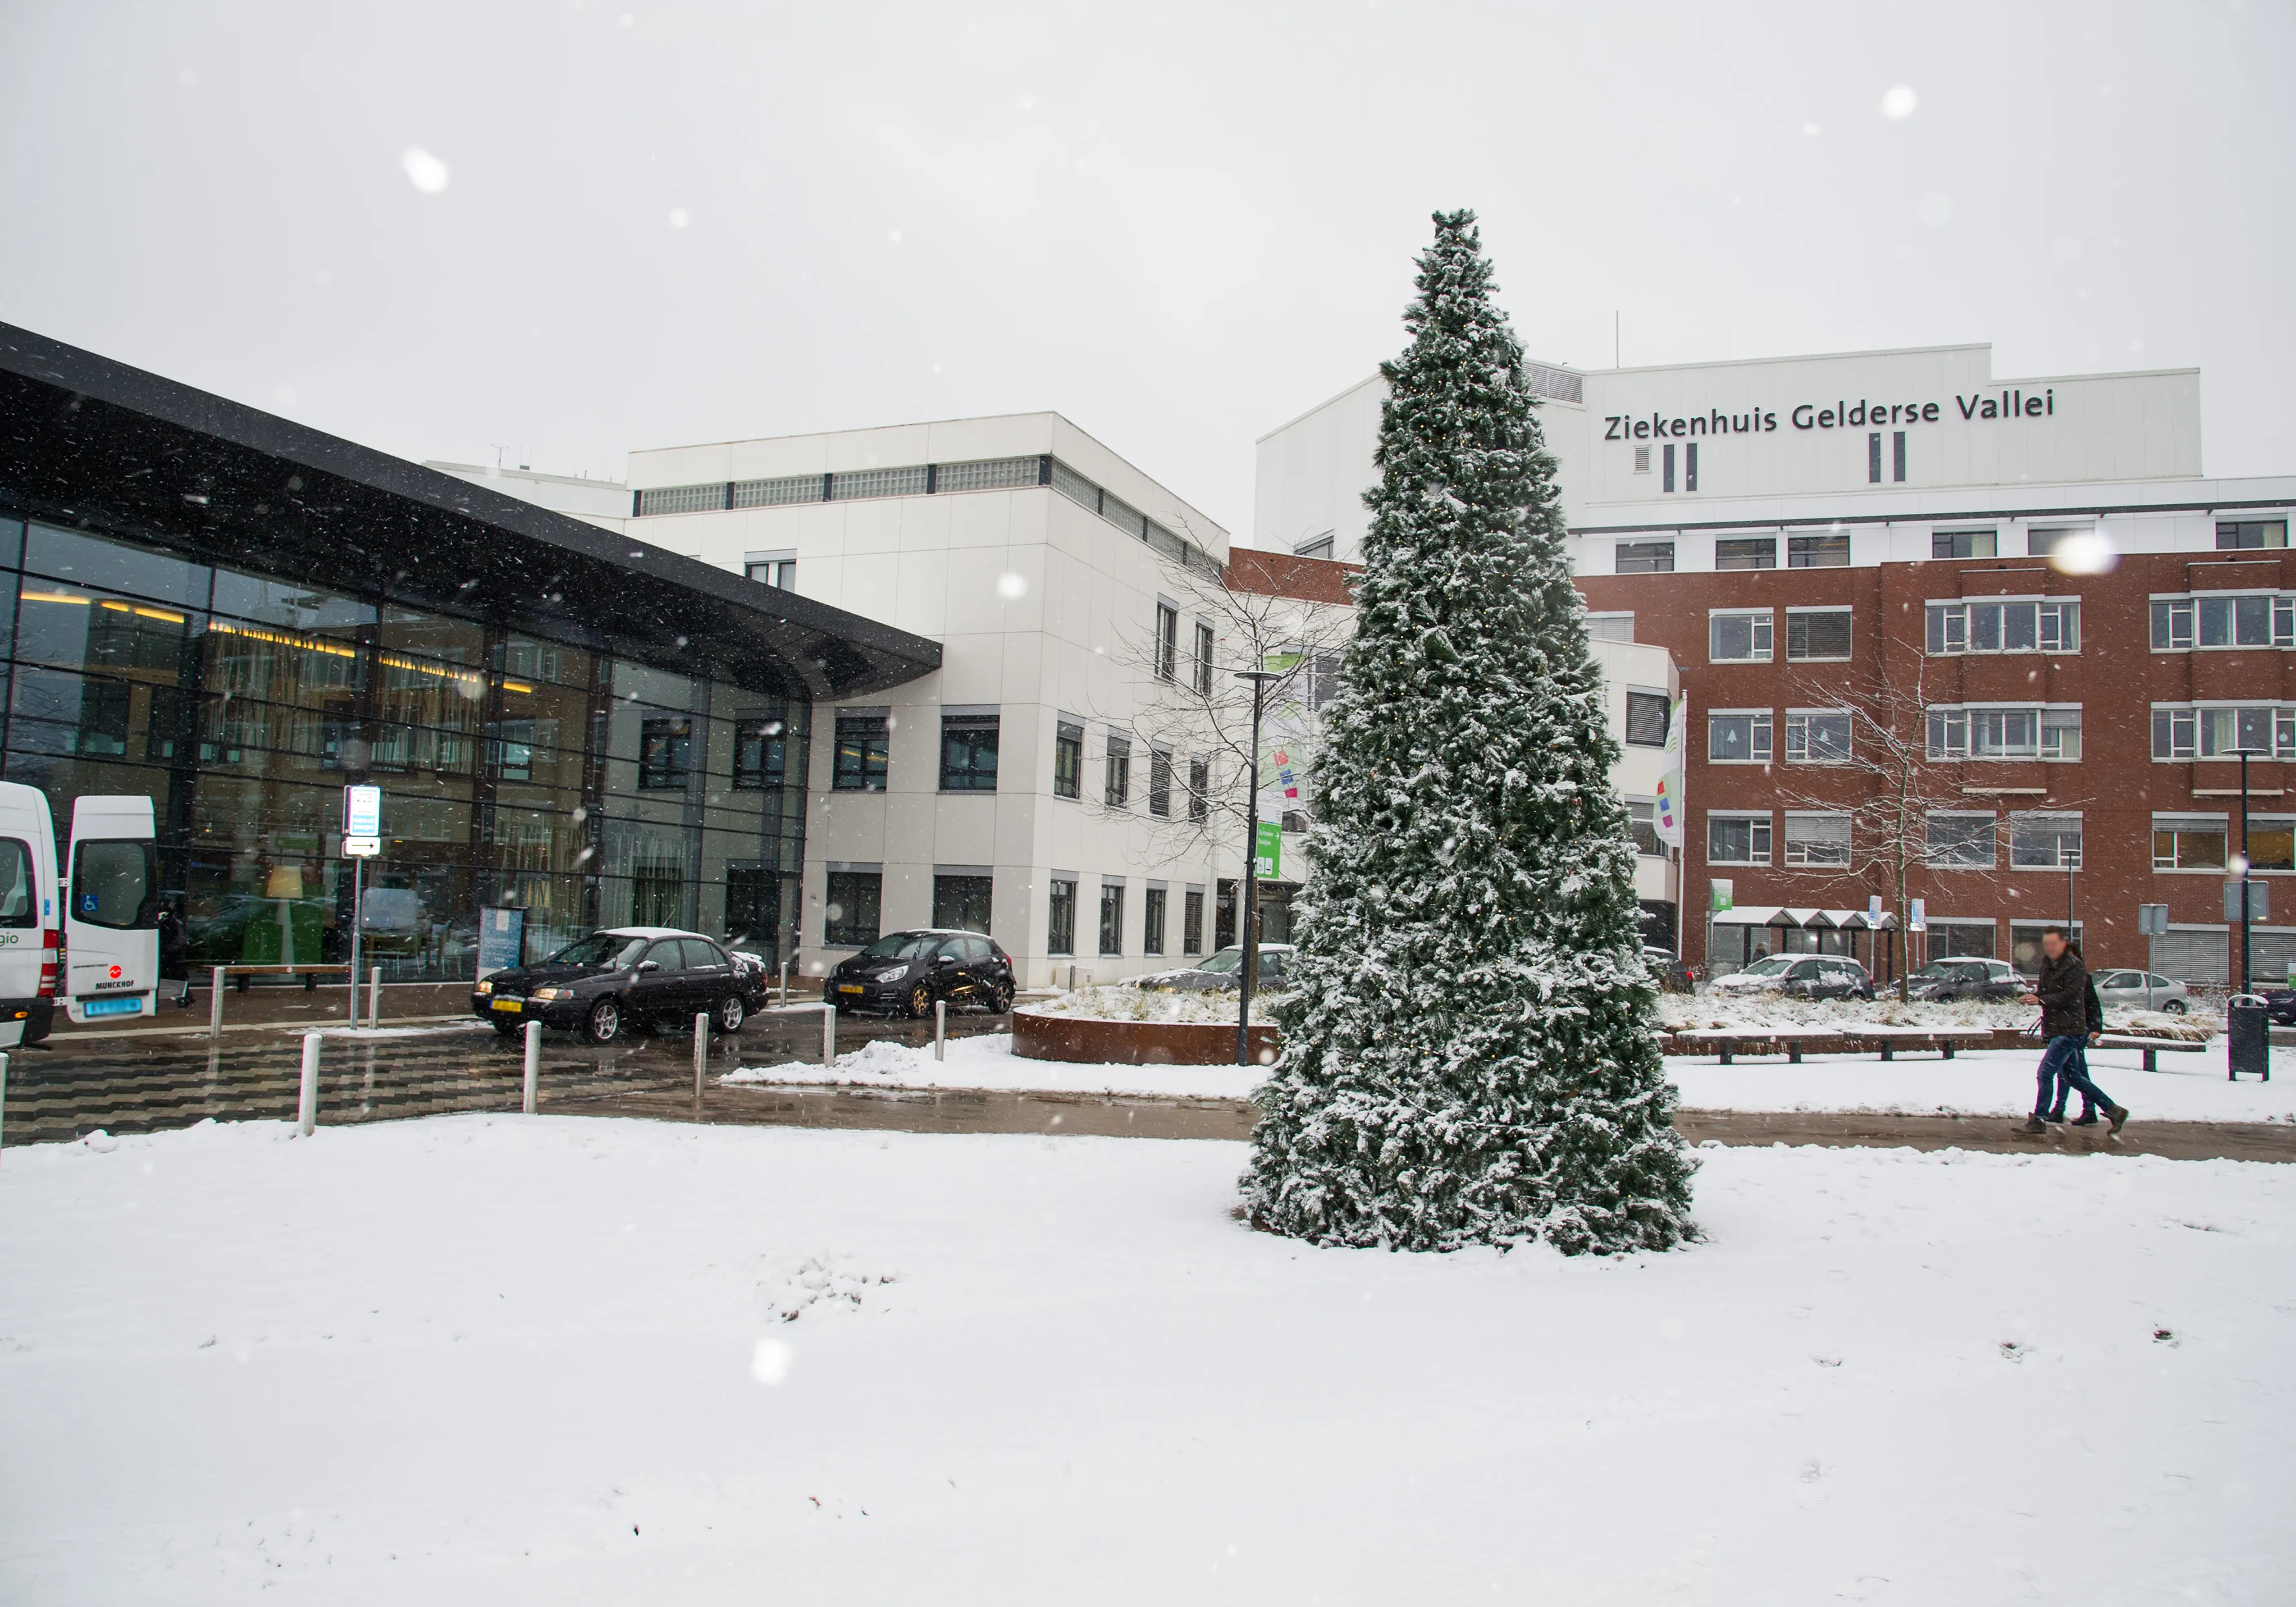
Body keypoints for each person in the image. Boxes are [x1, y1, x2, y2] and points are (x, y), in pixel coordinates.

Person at [2017, 928, 2128, 1135]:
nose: (2049, 948)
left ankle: (2039, 1120)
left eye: (2053, 944)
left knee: (2045, 1073)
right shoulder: (2047, 964)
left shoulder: (2076, 966)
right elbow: (2047, 991)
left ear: (2063, 944)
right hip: (2055, 1028)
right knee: (2073, 1077)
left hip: (2070, 1029)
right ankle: (2114, 1110)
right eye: (2047, 944)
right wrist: (2034, 996)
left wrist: (2041, 1000)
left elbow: (2070, 996)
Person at [2047, 956, 2107, 1126]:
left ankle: (2068, 1109)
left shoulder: (2081, 978)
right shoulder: (2064, 977)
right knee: (2071, 1070)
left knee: (2072, 1070)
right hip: (2067, 1029)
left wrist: (2096, 1027)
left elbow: (2092, 1003)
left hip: (2077, 1030)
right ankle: (2085, 1109)